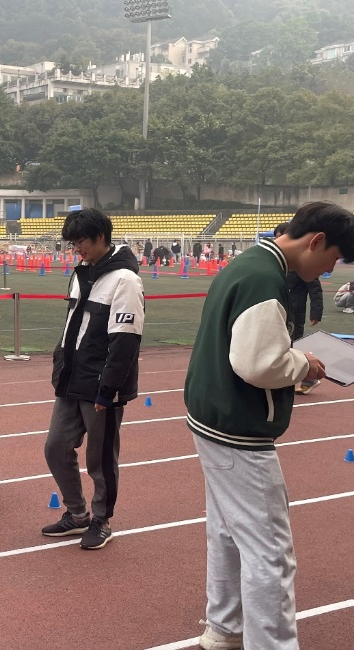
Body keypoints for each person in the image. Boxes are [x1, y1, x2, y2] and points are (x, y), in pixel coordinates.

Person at [185, 201, 354, 650]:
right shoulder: (265, 278)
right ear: (316, 241)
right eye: (333, 258)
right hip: (238, 427)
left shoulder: (250, 262)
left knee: (226, 531)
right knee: (270, 552)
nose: (329, 270)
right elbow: (258, 364)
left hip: (212, 417)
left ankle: (224, 627)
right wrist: (304, 363)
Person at [43, 208, 145, 550]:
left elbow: (126, 341)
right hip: (71, 379)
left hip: (102, 384)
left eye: (81, 242)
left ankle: (101, 520)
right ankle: (77, 515)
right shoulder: (80, 273)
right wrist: (60, 364)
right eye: (72, 243)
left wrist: (108, 389)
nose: (77, 249)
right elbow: (71, 326)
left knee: (99, 460)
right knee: (56, 447)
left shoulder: (125, 280)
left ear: (101, 237)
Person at [275, 222, 324, 394]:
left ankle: (310, 378)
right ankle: (282, 381)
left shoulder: (301, 264)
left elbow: (315, 289)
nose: (278, 240)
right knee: (280, 346)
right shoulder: (276, 264)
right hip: (279, 312)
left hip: (296, 312)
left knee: (295, 344)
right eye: (276, 236)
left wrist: (316, 312)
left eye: (281, 236)